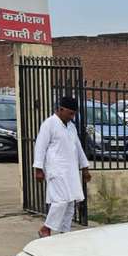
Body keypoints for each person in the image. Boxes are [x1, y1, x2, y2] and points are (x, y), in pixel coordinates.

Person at [33, 95, 91, 237]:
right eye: (70, 113)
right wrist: (38, 169)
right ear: (60, 109)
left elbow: (78, 148)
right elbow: (40, 146)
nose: (72, 117)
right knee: (61, 200)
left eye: (74, 114)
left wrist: (85, 168)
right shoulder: (49, 124)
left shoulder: (71, 127)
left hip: (70, 170)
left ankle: (65, 232)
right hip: (56, 170)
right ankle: (46, 228)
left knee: (70, 202)